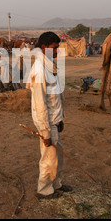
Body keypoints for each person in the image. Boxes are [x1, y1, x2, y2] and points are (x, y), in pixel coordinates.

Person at [27, 32, 72, 199]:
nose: (57, 51)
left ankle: (56, 184)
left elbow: (57, 96)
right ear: (44, 47)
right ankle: (44, 190)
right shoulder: (39, 70)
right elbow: (39, 105)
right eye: (54, 47)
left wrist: (61, 119)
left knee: (58, 156)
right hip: (48, 124)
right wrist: (45, 132)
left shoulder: (49, 66)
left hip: (55, 121)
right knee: (48, 159)